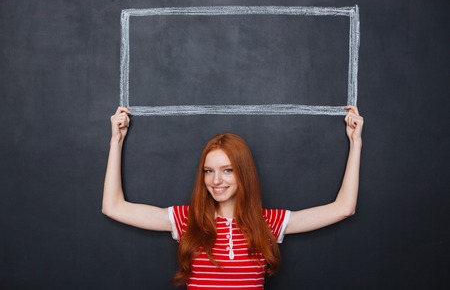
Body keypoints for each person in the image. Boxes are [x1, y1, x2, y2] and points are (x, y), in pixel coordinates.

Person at [102, 106, 364, 289]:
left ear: (243, 173)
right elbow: (113, 207)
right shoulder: (186, 219)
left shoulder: (267, 223)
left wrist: (356, 143)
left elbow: (343, 208)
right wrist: (116, 141)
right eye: (209, 171)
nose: (216, 180)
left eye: (227, 170)